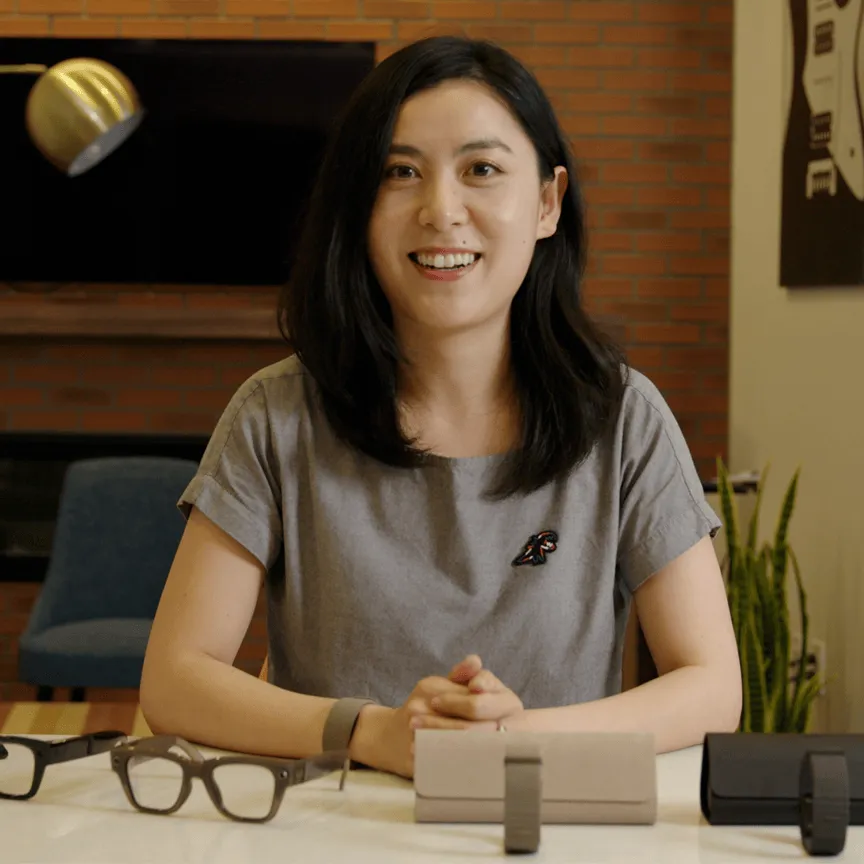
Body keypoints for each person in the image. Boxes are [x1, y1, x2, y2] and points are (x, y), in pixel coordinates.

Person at [140, 35, 742, 780]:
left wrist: (512, 739)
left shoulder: (623, 417)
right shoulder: (276, 414)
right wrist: (372, 732)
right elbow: (174, 678)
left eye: (482, 170)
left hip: (548, 827)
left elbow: (713, 687)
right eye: (400, 173)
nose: (441, 210)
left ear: (548, 202)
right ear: (359, 208)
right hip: (327, 833)